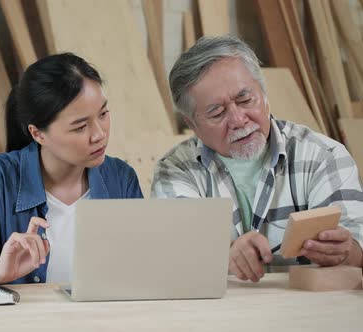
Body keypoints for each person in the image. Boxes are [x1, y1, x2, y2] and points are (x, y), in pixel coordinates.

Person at [152, 35, 363, 282]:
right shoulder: (176, 170)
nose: (239, 120)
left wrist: (347, 252)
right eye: (217, 112)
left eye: (245, 100)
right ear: (192, 124)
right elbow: (177, 255)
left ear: (264, 94)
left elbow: (357, 248)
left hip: (308, 312)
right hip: (215, 317)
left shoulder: (322, 156)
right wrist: (226, 255)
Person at [0, 53, 143, 284]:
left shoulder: (121, 179)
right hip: (16, 321)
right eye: (80, 127)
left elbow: (145, 268)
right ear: (38, 134)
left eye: (103, 114)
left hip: (104, 321)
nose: (99, 134)